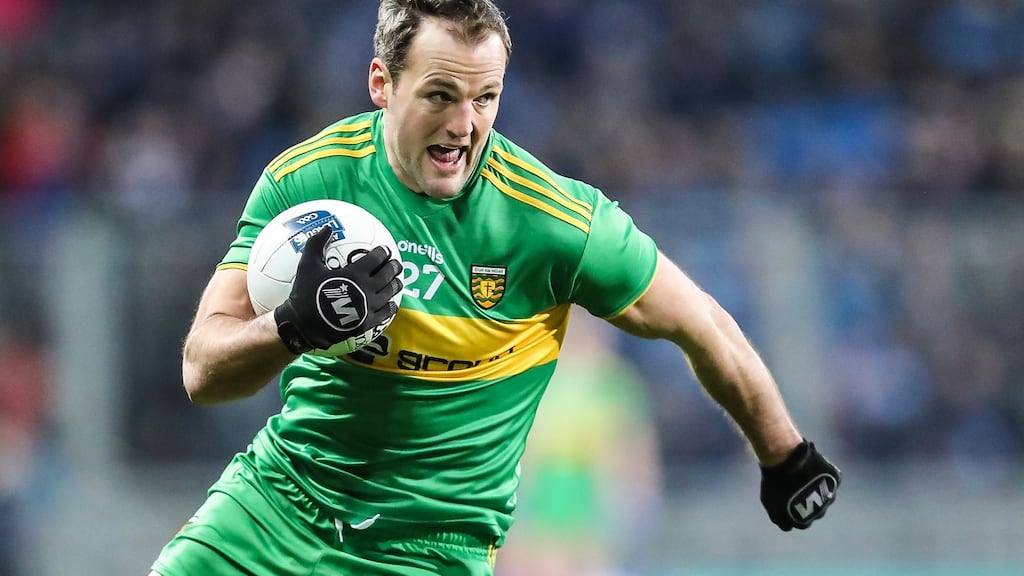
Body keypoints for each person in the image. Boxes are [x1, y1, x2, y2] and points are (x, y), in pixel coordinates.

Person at [150, 1, 841, 575]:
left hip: (428, 554)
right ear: (382, 84)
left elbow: (702, 324)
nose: (464, 125)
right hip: (274, 509)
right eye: (440, 96)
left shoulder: (553, 223)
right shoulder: (308, 182)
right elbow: (202, 371)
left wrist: (785, 455)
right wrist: (292, 327)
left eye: (486, 98)